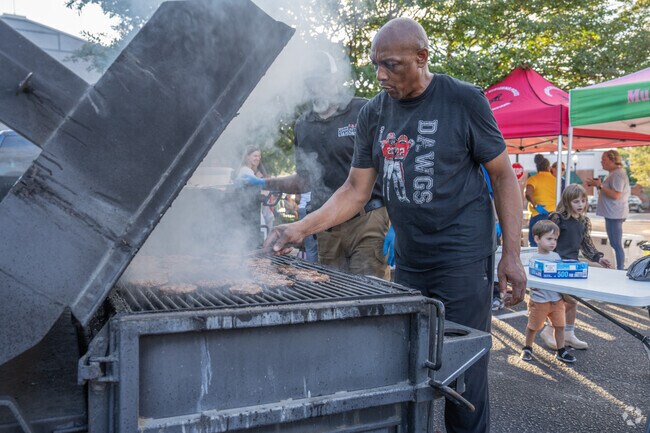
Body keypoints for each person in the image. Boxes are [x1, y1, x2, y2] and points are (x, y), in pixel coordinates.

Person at [264, 17, 527, 433]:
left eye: (391, 65)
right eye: (375, 65)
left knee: (464, 371)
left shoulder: (462, 99)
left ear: (422, 57)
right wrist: (302, 228)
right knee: (408, 363)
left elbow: (502, 176)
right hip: (410, 259)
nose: (381, 75)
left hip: (462, 258)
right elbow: (355, 189)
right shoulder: (375, 112)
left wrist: (511, 254)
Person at [245, 50, 390, 279]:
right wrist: (264, 181)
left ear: (335, 79)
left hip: (367, 220)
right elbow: (304, 181)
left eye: (322, 79)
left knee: (369, 291)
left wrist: (397, 224)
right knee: (331, 290)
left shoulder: (363, 111)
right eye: (311, 81)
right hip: (326, 223)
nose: (316, 86)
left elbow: (391, 165)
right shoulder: (304, 124)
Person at [537, 184, 612, 351]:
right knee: (567, 300)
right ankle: (549, 331)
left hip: (572, 265)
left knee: (573, 301)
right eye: (576, 201)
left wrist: (598, 258)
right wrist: (547, 259)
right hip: (556, 265)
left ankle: (569, 334)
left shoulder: (584, 221)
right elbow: (546, 239)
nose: (581, 204)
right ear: (567, 202)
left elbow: (586, 245)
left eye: (583, 201)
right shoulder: (557, 218)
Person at [521, 220, 576, 363]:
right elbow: (529, 279)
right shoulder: (533, 259)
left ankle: (561, 350)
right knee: (533, 327)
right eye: (549, 239)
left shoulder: (556, 257)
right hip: (539, 301)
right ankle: (527, 348)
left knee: (560, 326)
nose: (553, 243)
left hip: (557, 300)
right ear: (537, 239)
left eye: (555, 239)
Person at [585, 150, 630, 270]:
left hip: (615, 214)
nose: (601, 162)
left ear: (612, 160)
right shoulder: (613, 174)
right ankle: (619, 267)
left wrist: (600, 185)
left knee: (616, 243)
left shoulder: (617, 175)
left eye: (604, 159)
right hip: (612, 213)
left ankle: (620, 268)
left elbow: (616, 195)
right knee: (614, 243)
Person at [525, 154, 556, 247]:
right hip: (553, 215)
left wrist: (536, 205)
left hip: (537, 215)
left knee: (535, 244)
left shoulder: (533, 179)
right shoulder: (556, 180)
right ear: (548, 167)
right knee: (550, 244)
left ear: (537, 167)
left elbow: (527, 193)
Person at [297, 192, 319, 262]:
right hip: (319, 208)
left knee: (311, 247)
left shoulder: (301, 181)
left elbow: (297, 199)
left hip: (304, 209)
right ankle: (313, 271)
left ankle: (312, 270)